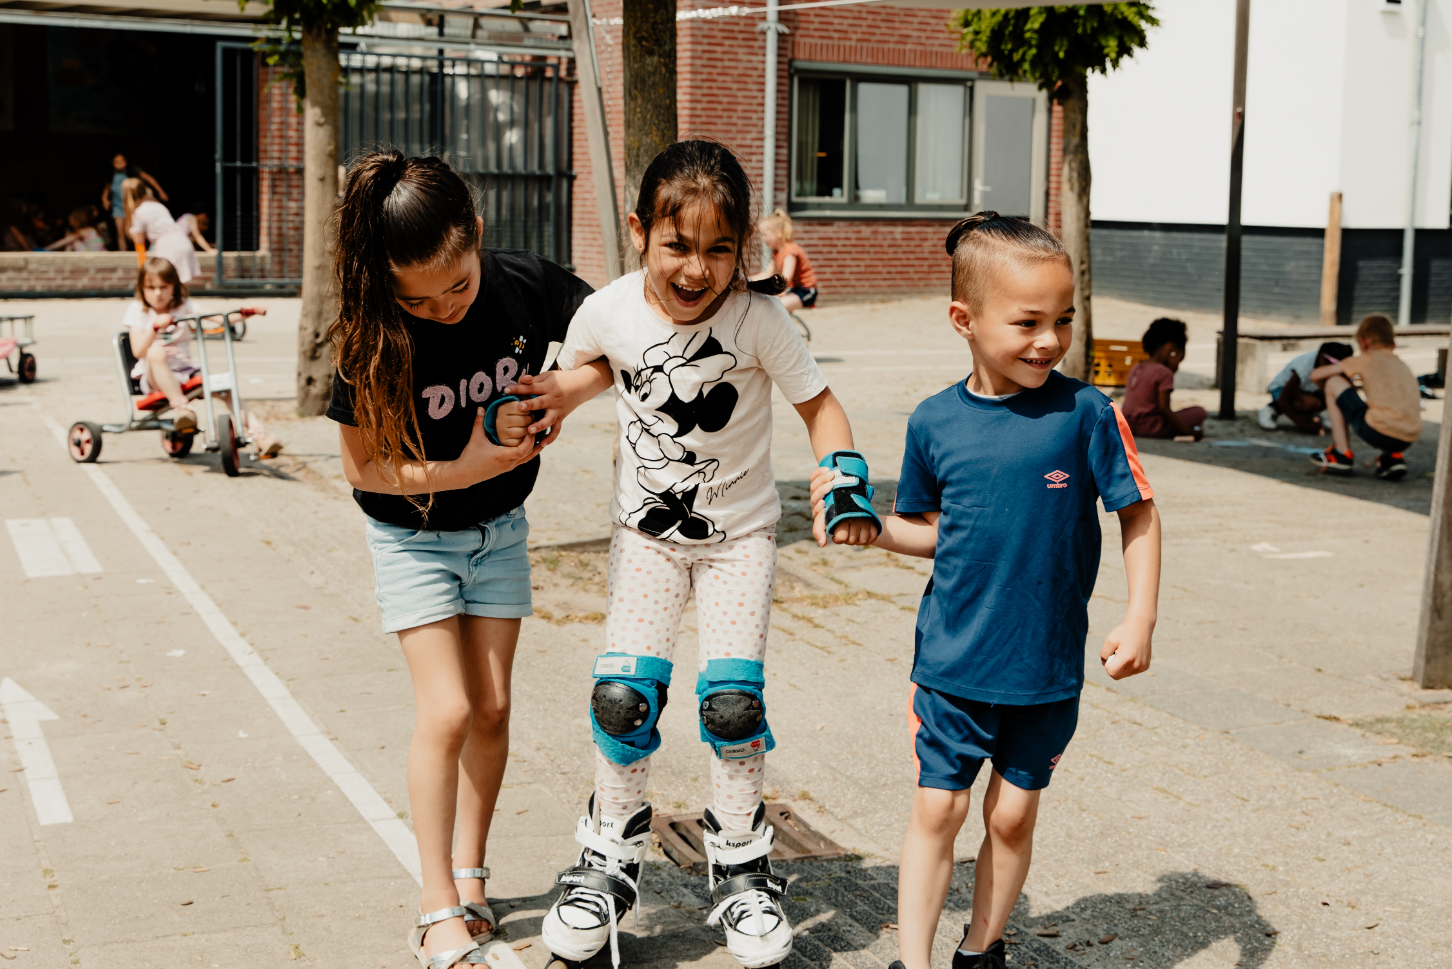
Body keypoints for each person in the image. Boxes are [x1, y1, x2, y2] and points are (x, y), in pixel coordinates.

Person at [513, 140, 877, 969]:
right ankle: (609, 857)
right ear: (641, 232)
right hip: (646, 538)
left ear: (744, 244)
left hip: (739, 541)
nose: (697, 268)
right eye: (678, 246)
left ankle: (744, 867)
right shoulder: (605, 309)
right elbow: (601, 365)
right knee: (623, 698)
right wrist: (556, 396)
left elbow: (822, 407)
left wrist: (842, 474)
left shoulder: (760, 320)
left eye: (720, 249)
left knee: (733, 705)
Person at [809, 212, 1160, 969]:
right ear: (963, 320)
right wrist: (869, 527)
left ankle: (981, 948)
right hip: (952, 662)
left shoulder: (1086, 413)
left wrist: (1140, 617)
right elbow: (932, 529)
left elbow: (1139, 511)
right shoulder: (934, 421)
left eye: (1062, 320)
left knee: (1010, 817)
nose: (1049, 340)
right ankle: (917, 959)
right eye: (1028, 321)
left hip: (1045, 666)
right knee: (939, 805)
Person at [325, 150, 593, 969]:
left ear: (477, 234)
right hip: (412, 538)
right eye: (419, 296)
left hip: (500, 530)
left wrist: (567, 391)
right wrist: (470, 465)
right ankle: (435, 902)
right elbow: (365, 469)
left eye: (457, 285)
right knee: (445, 711)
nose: (443, 307)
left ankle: (472, 875)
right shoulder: (370, 333)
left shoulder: (519, 282)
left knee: (492, 708)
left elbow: (616, 326)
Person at [126, 256, 283, 456]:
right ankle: (183, 409)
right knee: (156, 351)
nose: (157, 293)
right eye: (151, 288)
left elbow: (219, 318)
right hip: (155, 376)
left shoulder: (183, 307)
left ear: (174, 287)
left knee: (225, 390)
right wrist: (154, 327)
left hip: (186, 372)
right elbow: (138, 351)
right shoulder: (138, 311)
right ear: (142, 288)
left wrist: (246, 313)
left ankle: (260, 435)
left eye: (163, 287)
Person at [1308, 313, 1421, 480]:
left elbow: (1315, 375)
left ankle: (1341, 454)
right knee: (1388, 406)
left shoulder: (1366, 358)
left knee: (1333, 382)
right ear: (1393, 344)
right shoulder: (1402, 365)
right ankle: (1392, 458)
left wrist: (1335, 385)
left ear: (1364, 341)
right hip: (1408, 438)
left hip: (1378, 432)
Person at [1120, 317, 1205, 440]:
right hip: (1153, 427)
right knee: (1199, 412)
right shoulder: (1164, 372)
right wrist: (1187, 430)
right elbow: (1164, 408)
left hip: (1130, 425)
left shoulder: (1137, 367)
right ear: (1172, 350)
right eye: (1179, 359)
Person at [1258, 341, 1354, 433]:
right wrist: (1302, 424)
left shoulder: (1329, 363)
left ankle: (1309, 415)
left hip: (1308, 391)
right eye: (1332, 364)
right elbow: (1283, 399)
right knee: (1310, 403)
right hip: (1280, 390)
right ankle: (1272, 408)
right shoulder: (1304, 366)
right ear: (1321, 356)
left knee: (1330, 394)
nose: (1333, 368)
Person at [125, 179, 200, 282]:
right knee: (176, 287)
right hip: (183, 242)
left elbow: (140, 245)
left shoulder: (139, 213)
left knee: (166, 284)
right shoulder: (158, 206)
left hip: (168, 248)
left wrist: (141, 271)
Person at [753, 208, 818, 311]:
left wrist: (770, 289)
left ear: (778, 233)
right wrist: (747, 280)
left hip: (806, 291)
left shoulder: (790, 251)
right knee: (763, 304)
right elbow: (767, 273)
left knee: (773, 308)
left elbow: (785, 279)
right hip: (793, 290)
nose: (762, 238)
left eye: (765, 234)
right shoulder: (776, 252)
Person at [102, 154, 166, 252]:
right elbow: (108, 187)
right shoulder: (112, 174)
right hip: (118, 207)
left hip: (133, 206)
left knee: (137, 231)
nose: (119, 164)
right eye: (116, 162)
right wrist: (104, 198)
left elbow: (148, 178)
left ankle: (141, 253)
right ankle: (124, 256)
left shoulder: (132, 171)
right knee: (121, 233)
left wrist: (160, 191)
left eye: (122, 161)